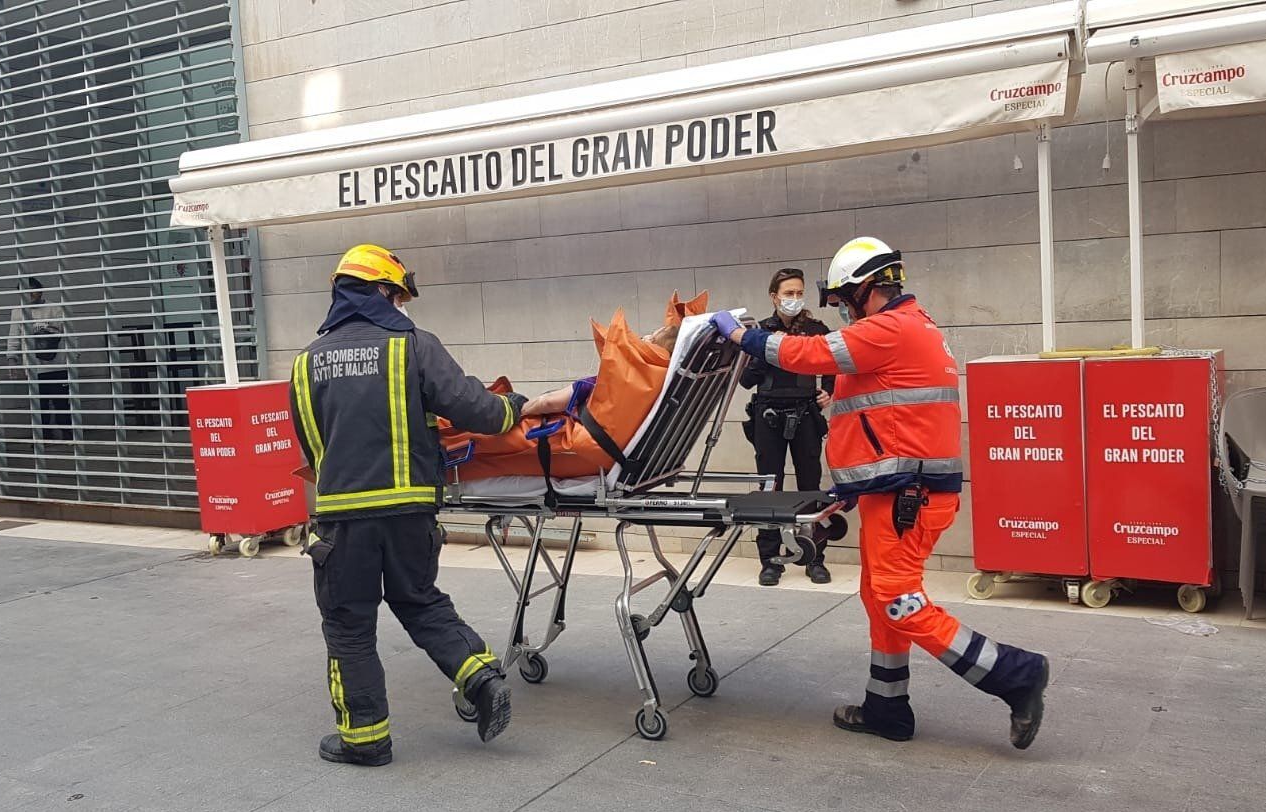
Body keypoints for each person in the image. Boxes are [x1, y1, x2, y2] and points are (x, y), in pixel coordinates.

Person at [710, 237, 1050, 749]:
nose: (844, 311)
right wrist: (846, 492)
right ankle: (887, 707)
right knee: (882, 596)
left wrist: (742, 335)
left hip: (907, 498)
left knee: (898, 600)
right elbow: (884, 427)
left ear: (867, 288)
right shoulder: (913, 328)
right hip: (895, 492)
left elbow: (811, 352)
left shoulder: (891, 328)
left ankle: (1015, 674)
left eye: (845, 300)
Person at [290, 244, 527, 767]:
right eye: (398, 294)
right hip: (409, 515)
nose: (402, 305)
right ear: (380, 292)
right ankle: (482, 680)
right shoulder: (413, 346)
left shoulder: (304, 363)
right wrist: (514, 408)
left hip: (341, 522)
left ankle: (366, 740)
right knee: (420, 601)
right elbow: (475, 409)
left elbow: (312, 447)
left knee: (349, 626)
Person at [740, 268, 835, 586]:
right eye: (788, 293)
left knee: (810, 486)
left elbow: (834, 362)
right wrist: (770, 350)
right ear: (774, 297)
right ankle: (770, 560)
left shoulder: (815, 329)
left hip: (806, 414)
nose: (794, 299)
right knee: (770, 487)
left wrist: (828, 391)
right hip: (768, 416)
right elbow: (745, 381)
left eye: (799, 293)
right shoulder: (760, 333)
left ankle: (815, 557)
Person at [519, 323, 679, 417]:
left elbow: (548, 402)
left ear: (649, 349)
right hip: (621, 451)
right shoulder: (657, 388)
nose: (643, 336)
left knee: (518, 401)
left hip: (578, 438)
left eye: (651, 336)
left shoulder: (608, 384)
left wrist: (519, 412)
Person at [6, 277, 74, 442]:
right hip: (34, 366)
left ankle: (68, 434)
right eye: (25, 291)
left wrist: (73, 356)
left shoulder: (55, 308)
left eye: (33, 289)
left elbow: (70, 333)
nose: (30, 294)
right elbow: (14, 336)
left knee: (62, 403)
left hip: (57, 364)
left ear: (40, 289)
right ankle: (43, 437)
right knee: (39, 404)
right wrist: (11, 359)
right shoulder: (18, 311)